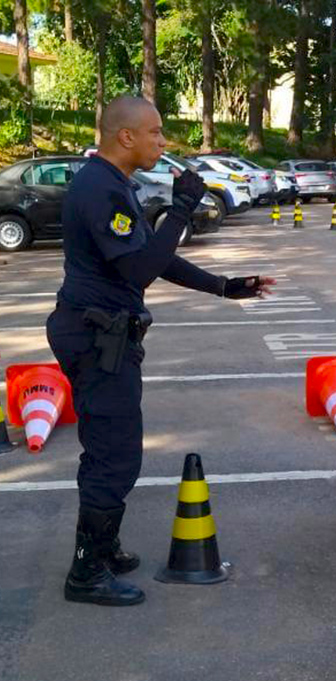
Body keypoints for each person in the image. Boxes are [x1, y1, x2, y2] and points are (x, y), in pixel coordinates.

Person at [48, 95, 276, 605]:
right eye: (154, 133)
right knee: (116, 456)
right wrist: (180, 209)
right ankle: (86, 573)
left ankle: (101, 549)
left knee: (107, 448)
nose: (162, 142)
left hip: (101, 331)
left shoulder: (111, 184)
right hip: (96, 335)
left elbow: (152, 256)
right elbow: (139, 270)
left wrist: (223, 286)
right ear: (125, 136)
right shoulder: (100, 189)